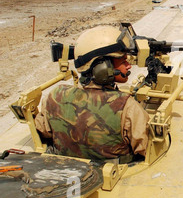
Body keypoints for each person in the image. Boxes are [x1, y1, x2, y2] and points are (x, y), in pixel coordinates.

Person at [35, 25, 150, 163]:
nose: (129, 65)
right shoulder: (128, 107)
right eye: (123, 61)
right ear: (103, 66)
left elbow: (43, 130)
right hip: (112, 176)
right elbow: (146, 148)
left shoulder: (55, 96)